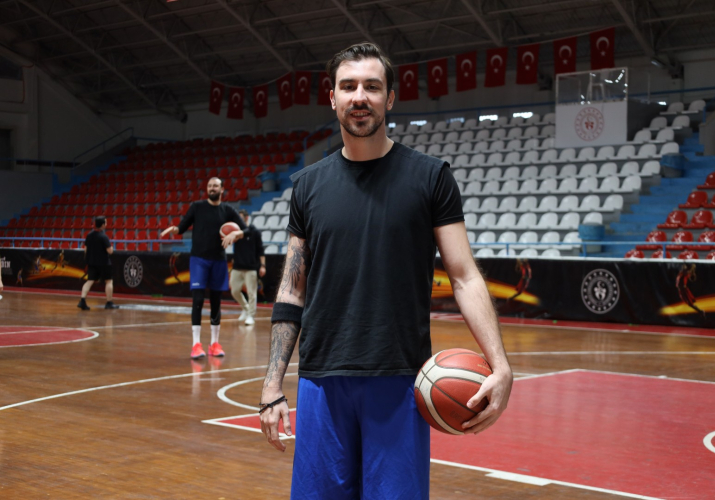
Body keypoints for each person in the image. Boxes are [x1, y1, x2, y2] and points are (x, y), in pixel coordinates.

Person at [259, 42, 514, 500]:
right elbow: (292, 290)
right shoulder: (307, 186)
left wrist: (500, 364)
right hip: (322, 380)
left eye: (372, 86)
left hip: (399, 379)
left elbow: (464, 276)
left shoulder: (431, 177)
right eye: (348, 86)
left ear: (390, 97)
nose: (360, 96)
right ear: (332, 97)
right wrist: (272, 384)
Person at [160, 177, 249, 359]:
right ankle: (196, 345)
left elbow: (246, 230)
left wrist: (236, 234)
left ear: (222, 189)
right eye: (209, 186)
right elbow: (182, 227)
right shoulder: (197, 207)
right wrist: (174, 230)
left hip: (218, 261)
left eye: (215, 186)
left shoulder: (228, 210)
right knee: (198, 300)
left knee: (216, 302)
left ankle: (214, 344)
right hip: (199, 260)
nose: (212, 188)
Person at [229, 210, 266, 326]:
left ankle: (251, 316)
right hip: (237, 267)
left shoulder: (255, 232)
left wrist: (263, 266)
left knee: (251, 293)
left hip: (251, 267)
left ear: (246, 218)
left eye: (241, 218)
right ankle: (245, 308)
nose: (239, 220)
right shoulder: (236, 233)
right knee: (234, 291)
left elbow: (261, 250)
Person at [78, 216, 118, 310]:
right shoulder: (104, 236)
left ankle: (82, 301)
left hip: (92, 262)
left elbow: (85, 249)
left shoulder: (89, 235)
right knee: (109, 281)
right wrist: (112, 248)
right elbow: (110, 251)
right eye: (106, 222)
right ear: (103, 225)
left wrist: (87, 261)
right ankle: (109, 302)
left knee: (89, 281)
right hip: (104, 263)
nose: (106, 224)